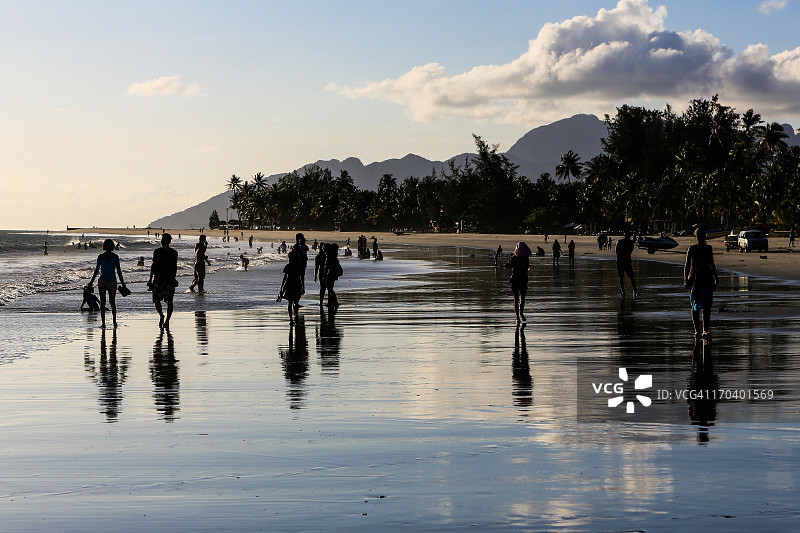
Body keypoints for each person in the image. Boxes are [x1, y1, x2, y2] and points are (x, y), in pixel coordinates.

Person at [684, 227, 719, 338]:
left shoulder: (707, 248)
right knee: (697, 306)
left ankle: (703, 330)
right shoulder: (693, 249)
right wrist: (686, 280)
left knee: (704, 306)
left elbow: (712, 264)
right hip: (697, 279)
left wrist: (716, 278)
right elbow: (687, 266)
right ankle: (698, 331)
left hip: (704, 278)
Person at [88, 238, 126, 328]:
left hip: (105, 281)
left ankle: (108, 323)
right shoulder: (111, 257)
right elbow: (97, 270)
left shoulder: (103, 256)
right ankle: (109, 323)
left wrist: (91, 281)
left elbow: (97, 271)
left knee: (107, 302)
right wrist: (122, 282)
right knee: (108, 302)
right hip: (108, 281)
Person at [148, 233, 178, 330]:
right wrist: (150, 279)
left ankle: (167, 320)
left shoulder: (173, 253)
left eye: (164, 240)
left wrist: (173, 278)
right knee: (156, 301)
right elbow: (153, 265)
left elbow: (174, 267)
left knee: (169, 301)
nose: (162, 241)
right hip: (158, 279)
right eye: (162, 239)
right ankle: (161, 315)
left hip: (169, 279)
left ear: (168, 241)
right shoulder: (157, 251)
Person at [507, 242, 531, 324]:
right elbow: (526, 268)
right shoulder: (526, 258)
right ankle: (521, 313)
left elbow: (512, 267)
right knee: (522, 298)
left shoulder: (513, 258)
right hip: (522, 280)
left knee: (516, 299)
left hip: (515, 280)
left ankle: (518, 316)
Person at [278, 246, 304, 323]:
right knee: (296, 302)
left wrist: (282, 287)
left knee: (290, 302)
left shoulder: (288, 266)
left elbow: (285, 277)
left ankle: (291, 319)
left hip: (289, 284)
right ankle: (295, 315)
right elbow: (301, 277)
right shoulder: (299, 266)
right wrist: (303, 287)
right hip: (297, 284)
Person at [615, 230, 637, 298]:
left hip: (621, 261)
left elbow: (617, 251)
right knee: (630, 277)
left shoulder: (620, 242)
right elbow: (630, 251)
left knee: (622, 277)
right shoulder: (630, 243)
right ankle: (634, 290)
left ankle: (623, 291)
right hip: (626, 261)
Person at [324, 243, 343, 309]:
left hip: (332, 273)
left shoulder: (330, 256)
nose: (324, 249)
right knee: (330, 287)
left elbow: (327, 266)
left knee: (329, 288)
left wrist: (325, 274)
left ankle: (335, 302)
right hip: (334, 273)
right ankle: (330, 302)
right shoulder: (333, 255)